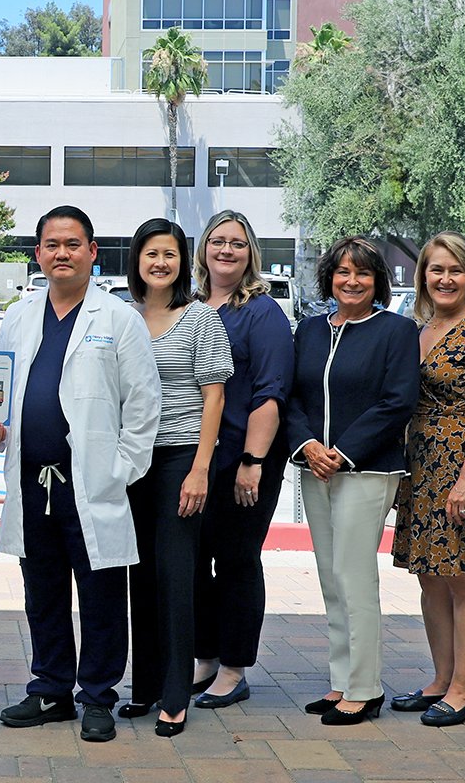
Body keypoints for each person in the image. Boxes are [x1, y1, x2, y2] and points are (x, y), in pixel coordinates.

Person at [0, 206, 162, 744]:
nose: (62, 253)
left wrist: (121, 470)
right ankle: (51, 688)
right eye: (51, 244)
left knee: (101, 592)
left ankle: (98, 695)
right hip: (31, 479)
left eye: (73, 244)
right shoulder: (18, 315)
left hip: (91, 483)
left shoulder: (117, 318)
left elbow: (144, 404)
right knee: (42, 590)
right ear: (37, 254)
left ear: (92, 254)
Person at [285, 236, 419, 726]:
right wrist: (306, 447)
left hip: (365, 469)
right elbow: (291, 396)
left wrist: (341, 452)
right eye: (343, 272)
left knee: (353, 574)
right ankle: (342, 680)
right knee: (329, 576)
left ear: (377, 280)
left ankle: (365, 687)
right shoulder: (309, 331)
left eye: (362, 273)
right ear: (329, 278)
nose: (352, 281)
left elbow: (397, 401)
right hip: (313, 466)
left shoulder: (397, 331)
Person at [389, 232, 465, 727]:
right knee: (430, 578)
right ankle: (440, 681)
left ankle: (463, 691)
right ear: (423, 276)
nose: (444, 279)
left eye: (454, 270)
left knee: (463, 579)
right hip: (421, 465)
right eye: (435, 270)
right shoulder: (419, 327)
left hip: (463, 467)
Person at [118, 219, 232, 737]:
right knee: (138, 575)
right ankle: (142, 688)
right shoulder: (122, 316)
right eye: (150, 254)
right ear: (136, 261)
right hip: (131, 460)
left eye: (169, 253)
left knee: (176, 574)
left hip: (180, 459)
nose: (160, 263)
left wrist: (200, 469)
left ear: (183, 261)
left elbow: (215, 397)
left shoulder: (201, 318)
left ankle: (174, 694)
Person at [189, 211, 294, 712]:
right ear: (203, 249)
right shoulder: (188, 307)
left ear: (250, 252)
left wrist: (253, 461)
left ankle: (234, 669)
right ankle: (204, 657)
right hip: (192, 462)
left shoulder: (262, 312)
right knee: (193, 562)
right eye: (217, 241)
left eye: (237, 242)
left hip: (242, 461)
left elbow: (271, 394)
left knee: (234, 561)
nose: (226, 250)